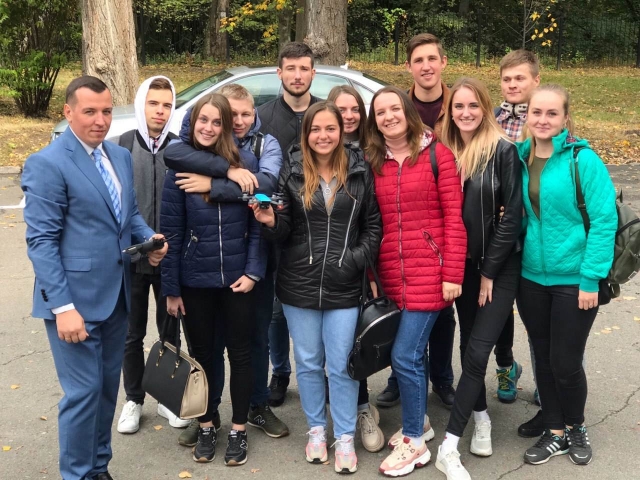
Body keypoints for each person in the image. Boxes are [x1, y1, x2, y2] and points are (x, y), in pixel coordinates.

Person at [22, 75, 167, 480]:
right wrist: (63, 307)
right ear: (68, 112)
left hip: (116, 296)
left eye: (106, 111)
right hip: (73, 304)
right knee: (83, 394)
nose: (100, 120)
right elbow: (42, 243)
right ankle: (77, 474)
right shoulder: (48, 163)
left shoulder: (117, 155)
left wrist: (149, 239)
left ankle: (98, 467)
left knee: (105, 391)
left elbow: (128, 215)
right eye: (89, 112)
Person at [253, 101, 382, 474]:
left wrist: (353, 259)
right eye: (315, 129)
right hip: (298, 283)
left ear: (341, 131)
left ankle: (345, 436)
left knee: (341, 365)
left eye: (330, 128)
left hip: (345, 285)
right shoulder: (292, 170)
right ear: (305, 133)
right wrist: (269, 221)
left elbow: (373, 227)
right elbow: (284, 229)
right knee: (309, 363)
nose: (323, 136)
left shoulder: (359, 170)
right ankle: (315, 431)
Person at [162, 84, 288, 445]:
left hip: (241, 274)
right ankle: (208, 417)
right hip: (197, 276)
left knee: (248, 345)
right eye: (208, 119)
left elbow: (262, 196)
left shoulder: (258, 152)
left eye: (220, 121)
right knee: (205, 351)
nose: (212, 126)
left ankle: (249, 414)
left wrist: (215, 183)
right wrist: (171, 288)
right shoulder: (181, 162)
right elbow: (171, 231)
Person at [365, 86, 466, 477]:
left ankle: (415, 442)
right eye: (381, 112)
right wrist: (374, 276)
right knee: (413, 354)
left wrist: (452, 274)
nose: (388, 116)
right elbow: (373, 224)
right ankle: (419, 420)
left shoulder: (438, 155)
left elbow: (454, 219)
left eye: (394, 108)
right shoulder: (375, 161)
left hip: (431, 274)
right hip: (393, 275)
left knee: (404, 355)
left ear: (407, 112)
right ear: (375, 121)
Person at [516, 84, 616, 467]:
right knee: (543, 357)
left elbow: (604, 220)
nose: (543, 120)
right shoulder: (520, 157)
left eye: (551, 113)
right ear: (527, 115)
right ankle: (554, 431)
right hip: (531, 279)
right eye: (536, 112)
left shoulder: (582, 160)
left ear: (565, 118)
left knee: (566, 361)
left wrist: (590, 278)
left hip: (574, 279)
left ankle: (576, 426)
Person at [434, 78, 523, 480]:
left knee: (477, 351)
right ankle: (481, 416)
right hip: (460, 268)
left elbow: (512, 217)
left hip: (498, 268)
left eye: (473, 106)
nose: (466, 113)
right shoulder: (444, 152)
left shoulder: (503, 151)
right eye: (458, 106)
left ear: (486, 108)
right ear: (450, 111)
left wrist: (489, 271)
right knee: (468, 341)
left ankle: (449, 444)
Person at [377, 33, 458, 410]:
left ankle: (441, 380)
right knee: (404, 330)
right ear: (409, 66)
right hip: (399, 254)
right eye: (418, 60)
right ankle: (404, 383)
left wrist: (451, 270)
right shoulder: (397, 108)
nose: (426, 66)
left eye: (431, 59)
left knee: (440, 322)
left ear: (443, 62)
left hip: (439, 243)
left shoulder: (458, 106)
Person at [108, 75, 190, 435]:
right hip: (133, 258)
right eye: (153, 103)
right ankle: (134, 399)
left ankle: (168, 398)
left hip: (171, 258)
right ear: (141, 104)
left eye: (167, 105)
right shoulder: (122, 146)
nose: (160, 111)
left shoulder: (180, 149)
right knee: (132, 333)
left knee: (170, 330)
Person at [257, 41, 322, 407]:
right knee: (276, 311)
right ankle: (280, 372)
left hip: (320, 227)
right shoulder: (262, 117)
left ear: (313, 72)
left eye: (304, 68)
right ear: (279, 72)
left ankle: (321, 371)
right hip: (275, 225)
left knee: (320, 307)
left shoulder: (324, 113)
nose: (298, 75)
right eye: (291, 68)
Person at [326, 85, 385, 454]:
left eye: (354, 109)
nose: (348, 116)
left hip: (362, 262)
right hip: (322, 269)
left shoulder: (372, 153)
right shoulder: (318, 150)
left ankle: (362, 407)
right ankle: (346, 407)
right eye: (341, 109)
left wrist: (367, 268)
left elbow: (373, 219)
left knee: (357, 341)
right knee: (334, 346)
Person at [490, 50, 541, 408]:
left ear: (535, 80)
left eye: (519, 78)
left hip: (536, 228)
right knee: (498, 308)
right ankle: (506, 366)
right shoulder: (492, 119)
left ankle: (547, 378)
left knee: (538, 310)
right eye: (507, 79)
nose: (512, 84)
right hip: (500, 229)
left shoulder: (545, 118)